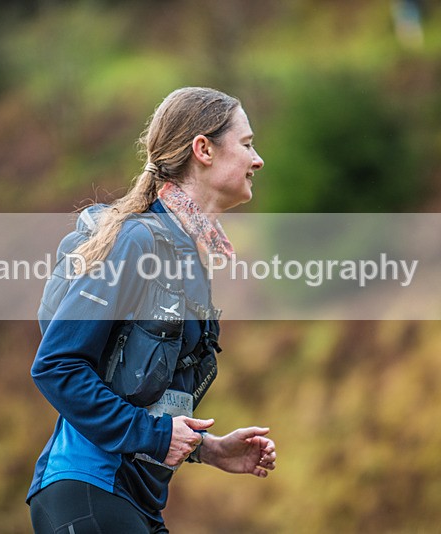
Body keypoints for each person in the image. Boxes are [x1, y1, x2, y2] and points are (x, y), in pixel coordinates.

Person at [27, 87, 276, 533]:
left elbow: (143, 393)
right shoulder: (137, 241)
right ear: (203, 150)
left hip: (135, 500)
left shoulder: (190, 255)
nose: (257, 160)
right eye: (247, 144)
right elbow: (57, 366)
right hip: (88, 488)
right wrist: (157, 437)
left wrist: (208, 448)